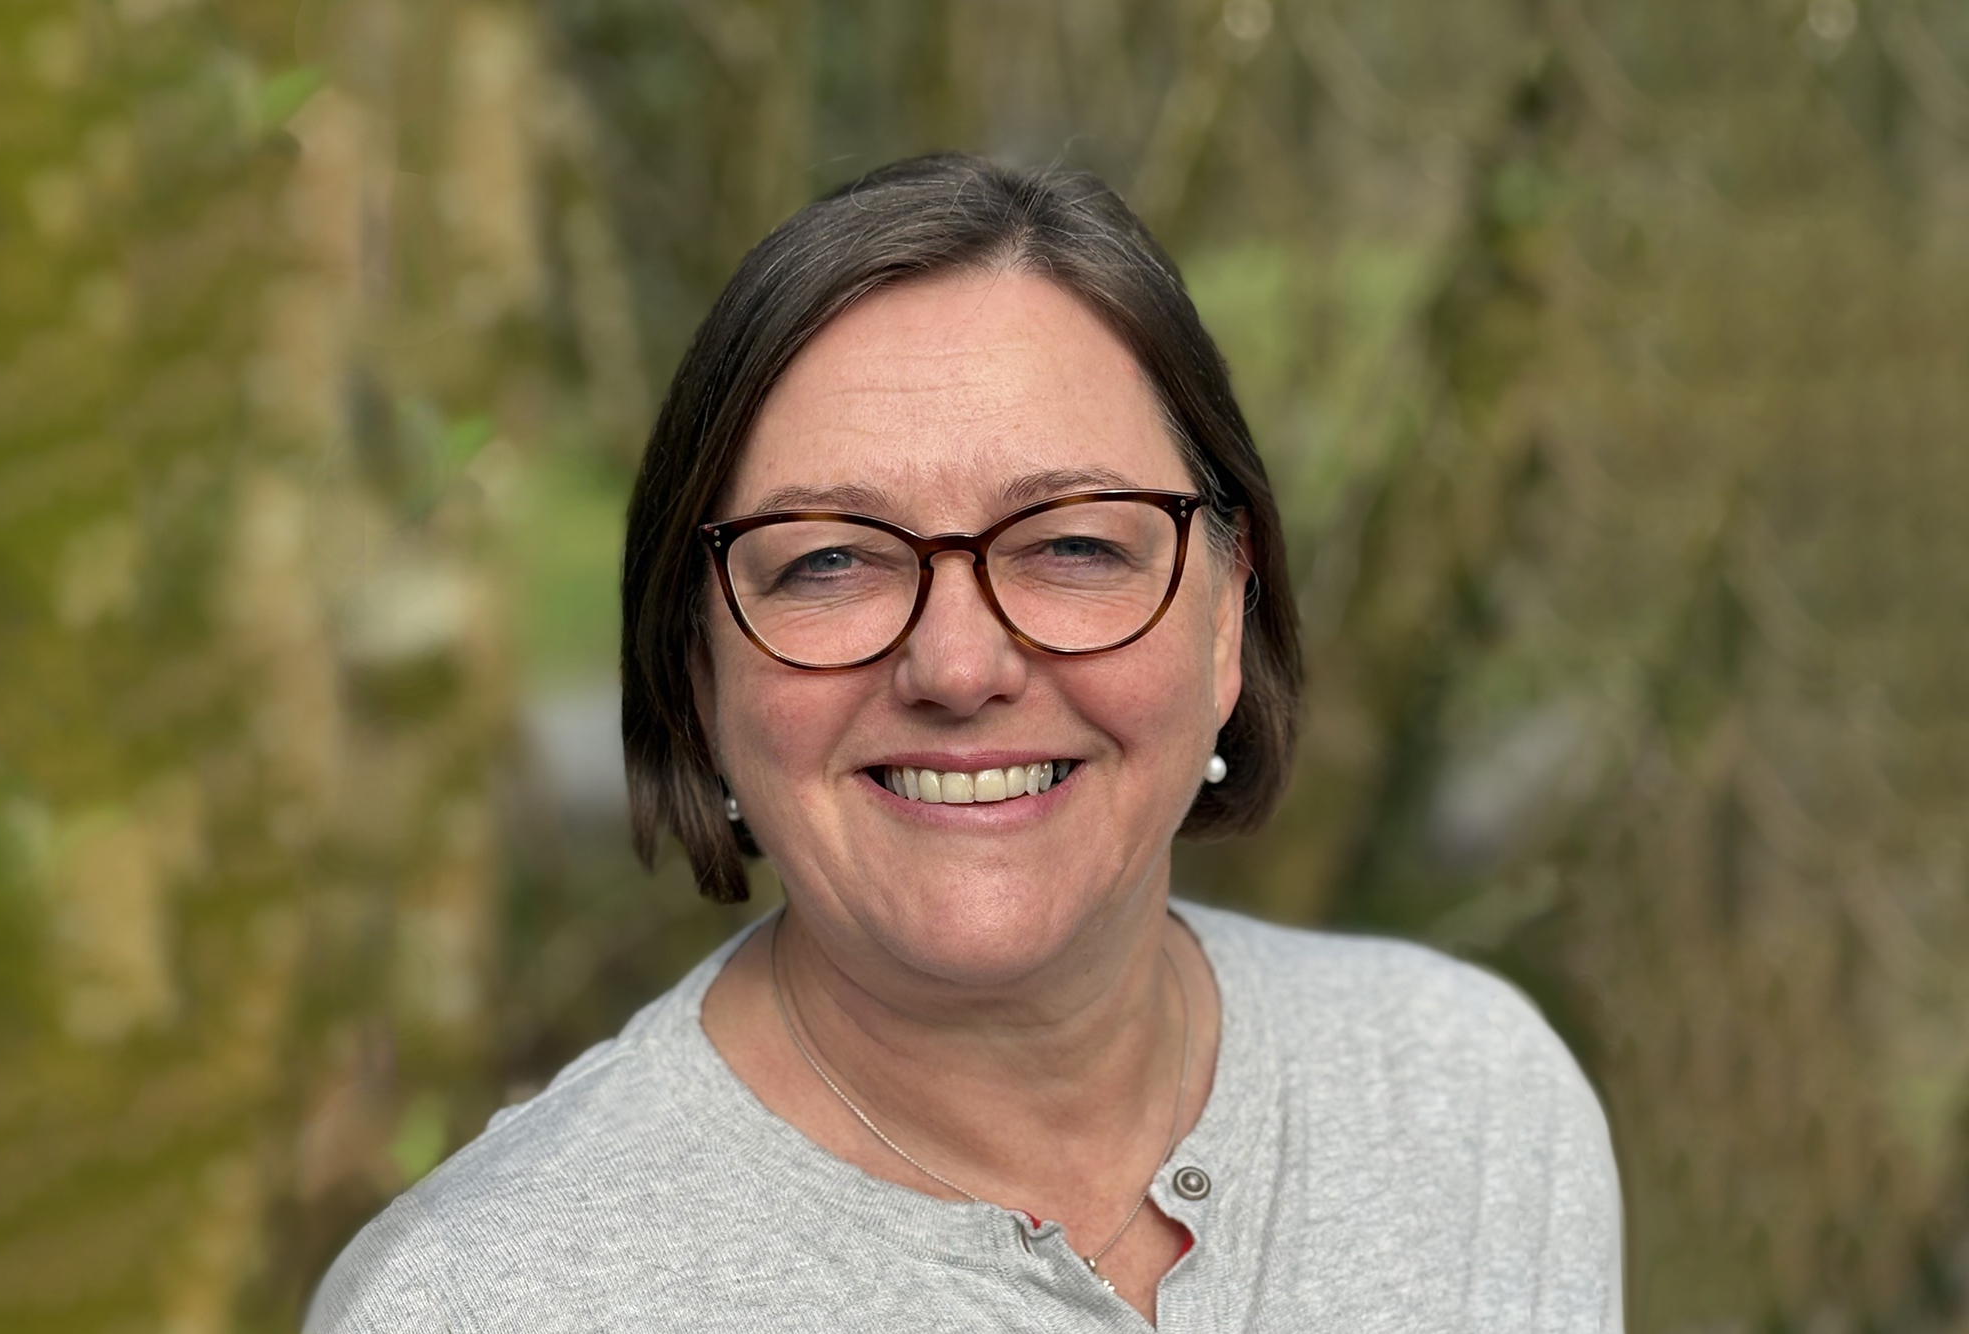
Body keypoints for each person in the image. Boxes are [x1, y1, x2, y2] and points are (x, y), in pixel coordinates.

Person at [307, 153, 1621, 1333]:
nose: (957, 666)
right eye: (829, 561)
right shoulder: (480, 1303)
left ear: (1229, 616)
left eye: (1073, 545)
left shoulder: (1475, 1104)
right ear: (696, 667)